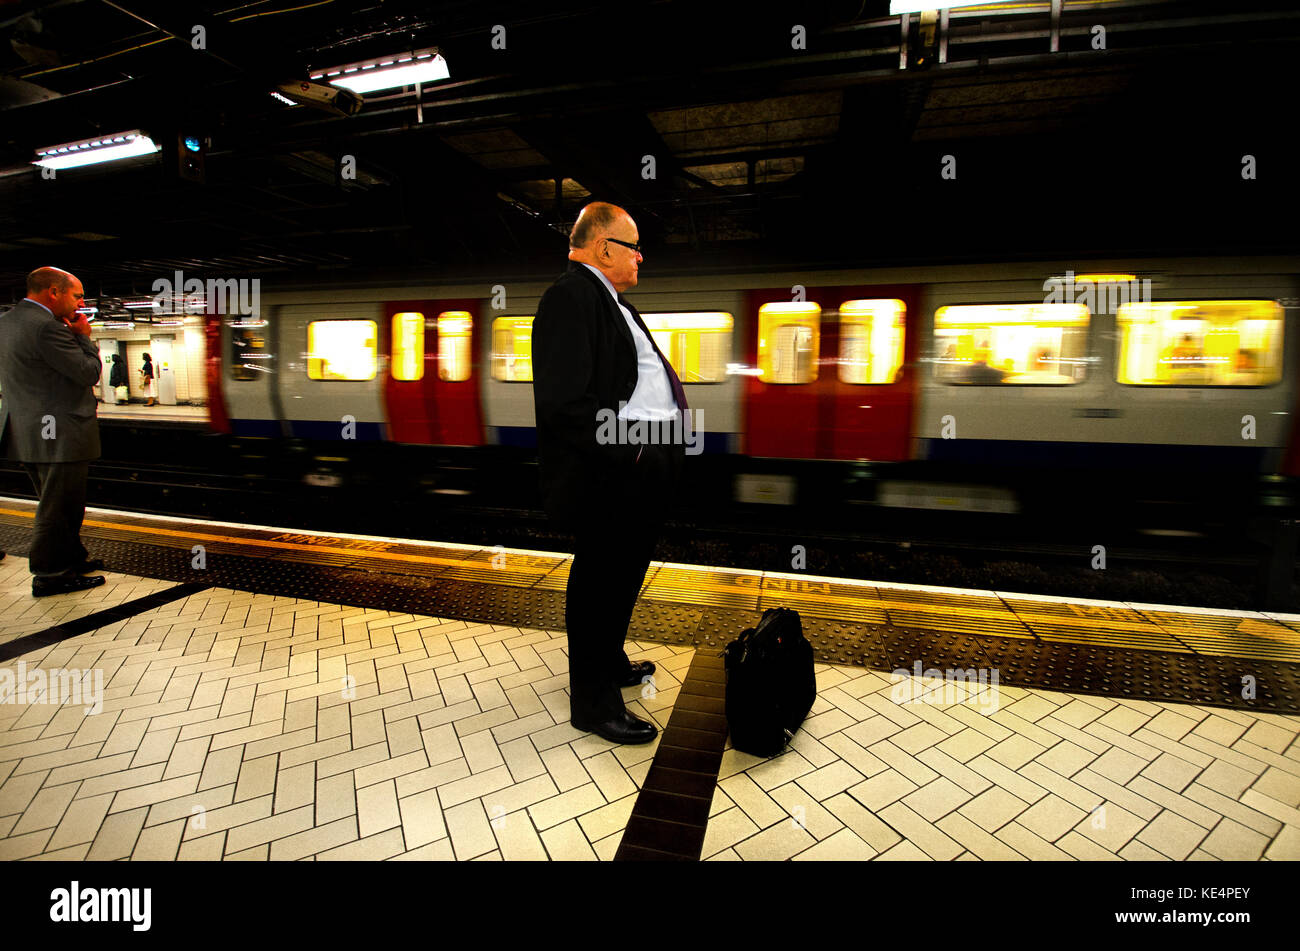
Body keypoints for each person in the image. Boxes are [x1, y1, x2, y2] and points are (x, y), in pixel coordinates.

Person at [532, 202, 688, 745]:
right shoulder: (570, 297)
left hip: (641, 464)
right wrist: (632, 454)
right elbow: (566, 405)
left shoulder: (612, 301)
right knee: (601, 582)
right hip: (614, 473)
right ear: (603, 248)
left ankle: (611, 662)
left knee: (623, 576)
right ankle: (593, 705)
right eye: (634, 245)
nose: (641, 257)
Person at [0, 267, 106, 595]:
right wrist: (84, 339)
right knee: (59, 506)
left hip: (28, 427)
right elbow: (88, 373)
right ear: (54, 293)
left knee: (58, 500)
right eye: (76, 296)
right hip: (57, 429)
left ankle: (71, 557)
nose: (81, 303)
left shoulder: (7, 321)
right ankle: (51, 574)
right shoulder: (48, 327)